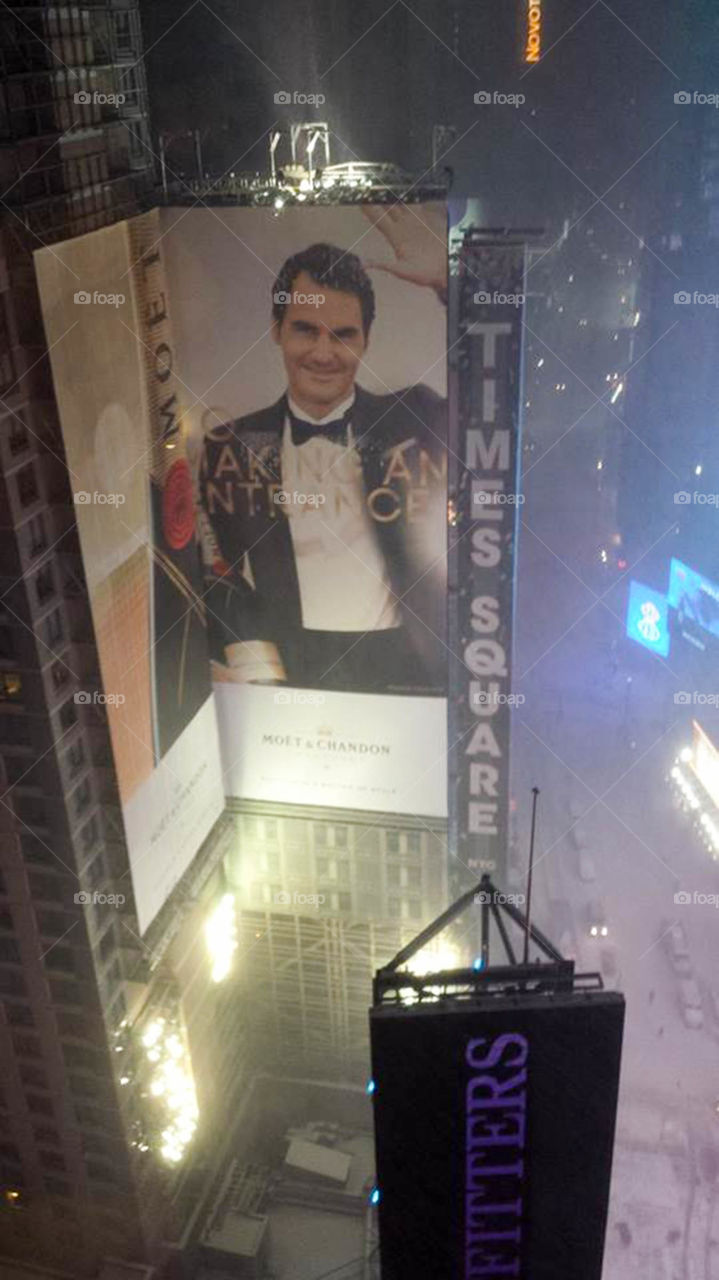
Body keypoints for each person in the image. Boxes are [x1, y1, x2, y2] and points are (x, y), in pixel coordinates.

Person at [200, 205, 448, 694]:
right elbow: (219, 581)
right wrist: (250, 663)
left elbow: (494, 396)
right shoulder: (227, 446)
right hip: (287, 668)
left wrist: (450, 280)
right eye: (305, 329)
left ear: (367, 340)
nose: (323, 352)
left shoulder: (417, 416)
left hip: (410, 664)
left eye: (343, 335)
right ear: (277, 330)